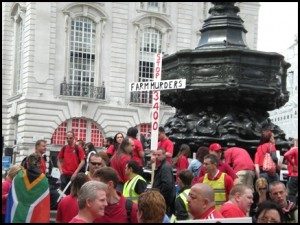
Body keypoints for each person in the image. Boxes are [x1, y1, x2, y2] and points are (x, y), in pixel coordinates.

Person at [5, 153, 50, 223]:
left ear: (27, 163)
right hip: (34, 218)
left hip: (17, 217)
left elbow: (11, 200)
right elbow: (44, 207)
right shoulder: (44, 181)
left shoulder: (18, 177)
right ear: (39, 164)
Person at [57, 131, 86, 195]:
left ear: (74, 138)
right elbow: (59, 160)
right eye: (67, 138)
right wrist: (61, 171)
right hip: (64, 175)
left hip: (74, 175)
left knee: (73, 194)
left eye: (70, 138)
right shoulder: (64, 148)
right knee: (63, 194)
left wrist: (75, 173)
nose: (68, 139)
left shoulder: (78, 148)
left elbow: (83, 161)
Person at [152, 147, 176, 217]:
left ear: (164, 155)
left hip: (165, 200)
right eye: (155, 155)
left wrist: (160, 196)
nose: (156, 157)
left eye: (159, 155)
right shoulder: (162, 166)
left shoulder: (165, 167)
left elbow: (167, 185)